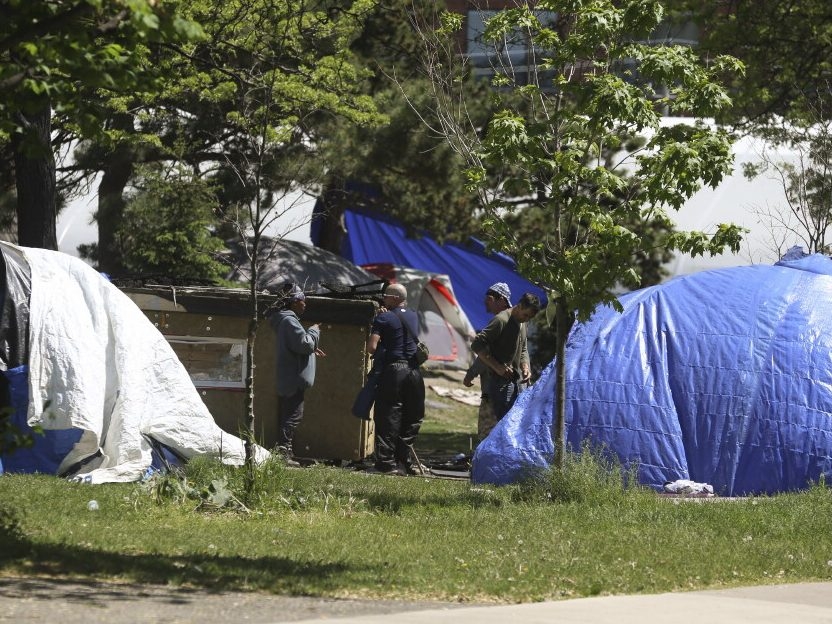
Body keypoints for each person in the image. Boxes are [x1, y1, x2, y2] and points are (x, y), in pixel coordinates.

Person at [366, 282, 426, 475]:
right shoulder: (415, 316)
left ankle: (385, 463)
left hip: (395, 371)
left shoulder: (383, 317)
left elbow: (372, 348)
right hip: (415, 372)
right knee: (412, 417)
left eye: (385, 296)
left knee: (388, 416)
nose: (383, 299)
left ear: (393, 298)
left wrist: (378, 321)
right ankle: (403, 460)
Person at [270, 282, 325, 466]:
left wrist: (312, 349)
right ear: (294, 302)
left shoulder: (287, 320)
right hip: (293, 378)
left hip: (290, 377)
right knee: (293, 416)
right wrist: (314, 331)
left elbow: (300, 347)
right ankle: (282, 454)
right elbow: (305, 344)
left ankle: (286, 452)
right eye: (303, 300)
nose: (305, 303)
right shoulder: (289, 321)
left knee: (290, 415)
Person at [471, 292, 541, 425]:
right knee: (501, 425)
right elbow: (477, 345)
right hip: (498, 384)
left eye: (529, 318)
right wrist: (497, 367)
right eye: (525, 315)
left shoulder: (522, 323)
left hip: (517, 383)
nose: (526, 319)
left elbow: (523, 347)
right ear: (519, 306)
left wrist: (525, 366)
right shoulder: (501, 320)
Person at [463, 282, 512, 440]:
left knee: (487, 434)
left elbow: (485, 353)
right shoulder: (515, 321)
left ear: (501, 300)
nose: (486, 302)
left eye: (489, 299)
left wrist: (471, 373)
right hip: (509, 389)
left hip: (493, 389)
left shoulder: (499, 321)